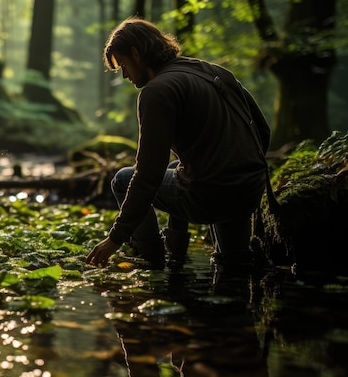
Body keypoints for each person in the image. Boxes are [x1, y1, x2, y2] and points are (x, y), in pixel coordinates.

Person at [85, 17, 270, 271]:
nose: (125, 75)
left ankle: (150, 264)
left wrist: (115, 238)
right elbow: (262, 130)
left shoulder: (157, 92)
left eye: (124, 66)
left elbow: (147, 175)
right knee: (233, 270)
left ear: (136, 54)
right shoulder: (214, 71)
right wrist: (240, 172)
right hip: (249, 189)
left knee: (122, 179)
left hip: (210, 194)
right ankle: (184, 255)